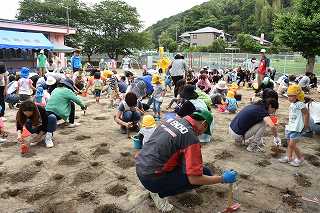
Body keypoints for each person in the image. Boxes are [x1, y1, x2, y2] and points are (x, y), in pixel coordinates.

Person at [136, 110, 238, 212]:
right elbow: (194, 179)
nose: (201, 134)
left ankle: (159, 186)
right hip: (152, 178)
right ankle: (159, 193)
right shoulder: (191, 138)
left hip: (140, 167)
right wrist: (222, 178)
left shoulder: (171, 120)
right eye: (204, 131)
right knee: (200, 176)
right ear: (204, 124)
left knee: (204, 171)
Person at [279, 85, 310, 167]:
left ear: (298, 95)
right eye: (288, 95)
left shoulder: (300, 104)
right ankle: (289, 157)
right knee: (289, 143)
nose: (289, 98)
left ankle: (300, 158)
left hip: (297, 127)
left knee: (292, 144)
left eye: (291, 96)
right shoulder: (292, 104)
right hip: (291, 126)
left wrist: (306, 125)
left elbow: (306, 114)